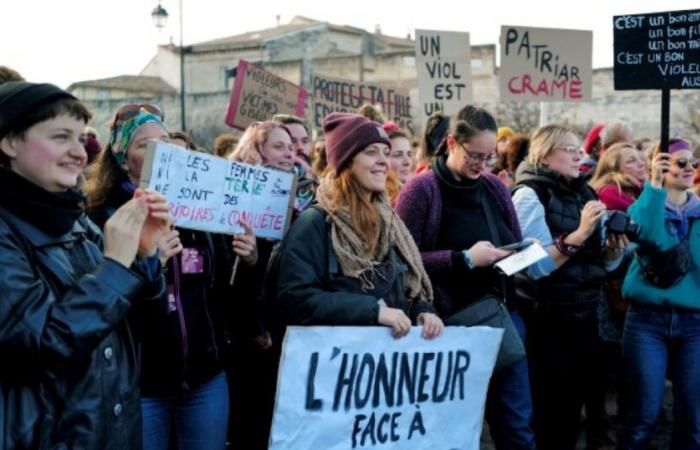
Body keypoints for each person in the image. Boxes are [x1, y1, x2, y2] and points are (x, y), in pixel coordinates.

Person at [0, 82, 169, 449]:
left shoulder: (74, 219)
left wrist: (146, 257)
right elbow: (46, 347)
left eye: (80, 139)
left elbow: (148, 324)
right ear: (10, 143)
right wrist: (115, 265)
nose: (79, 153)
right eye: (61, 137)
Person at [85, 104, 248, 450]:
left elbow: (223, 291)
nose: (161, 150)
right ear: (122, 159)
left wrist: (248, 258)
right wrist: (151, 265)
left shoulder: (201, 209)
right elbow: (102, 306)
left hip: (205, 378)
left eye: (164, 140)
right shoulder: (102, 218)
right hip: (141, 386)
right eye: (145, 145)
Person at [396, 105, 536, 450]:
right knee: (452, 431)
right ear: (451, 142)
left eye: (490, 157)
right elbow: (401, 262)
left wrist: (522, 251)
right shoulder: (421, 190)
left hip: (501, 319)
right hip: (446, 326)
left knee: (517, 425)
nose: (483, 165)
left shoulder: (494, 187)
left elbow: (512, 240)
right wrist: (464, 260)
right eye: (475, 155)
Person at [275, 109, 443, 346]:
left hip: (383, 365)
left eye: (386, 152)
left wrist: (422, 311)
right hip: (336, 369)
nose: (384, 161)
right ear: (346, 161)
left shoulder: (390, 222)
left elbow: (402, 288)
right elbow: (294, 299)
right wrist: (373, 311)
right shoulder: (315, 223)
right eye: (371, 152)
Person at [511, 124, 628, 450]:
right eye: (570, 149)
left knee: (574, 406)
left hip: (585, 313)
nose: (580, 155)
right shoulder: (530, 194)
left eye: (580, 148)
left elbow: (602, 265)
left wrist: (613, 251)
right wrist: (579, 234)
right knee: (550, 409)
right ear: (545, 156)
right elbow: (533, 266)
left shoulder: (585, 193)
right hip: (546, 318)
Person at [620, 139, 700, 449]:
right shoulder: (646, 206)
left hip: (694, 324)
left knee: (692, 417)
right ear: (662, 167)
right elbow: (645, 234)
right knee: (645, 413)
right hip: (646, 322)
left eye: (692, 162)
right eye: (680, 162)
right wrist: (653, 185)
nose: (689, 167)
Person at [588, 142, 648, 445]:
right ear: (614, 168)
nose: (642, 164)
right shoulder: (610, 199)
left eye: (641, 159)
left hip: (631, 298)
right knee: (605, 370)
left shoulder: (643, 195)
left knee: (626, 371)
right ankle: (600, 430)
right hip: (609, 299)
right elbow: (609, 254)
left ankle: (618, 428)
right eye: (632, 161)